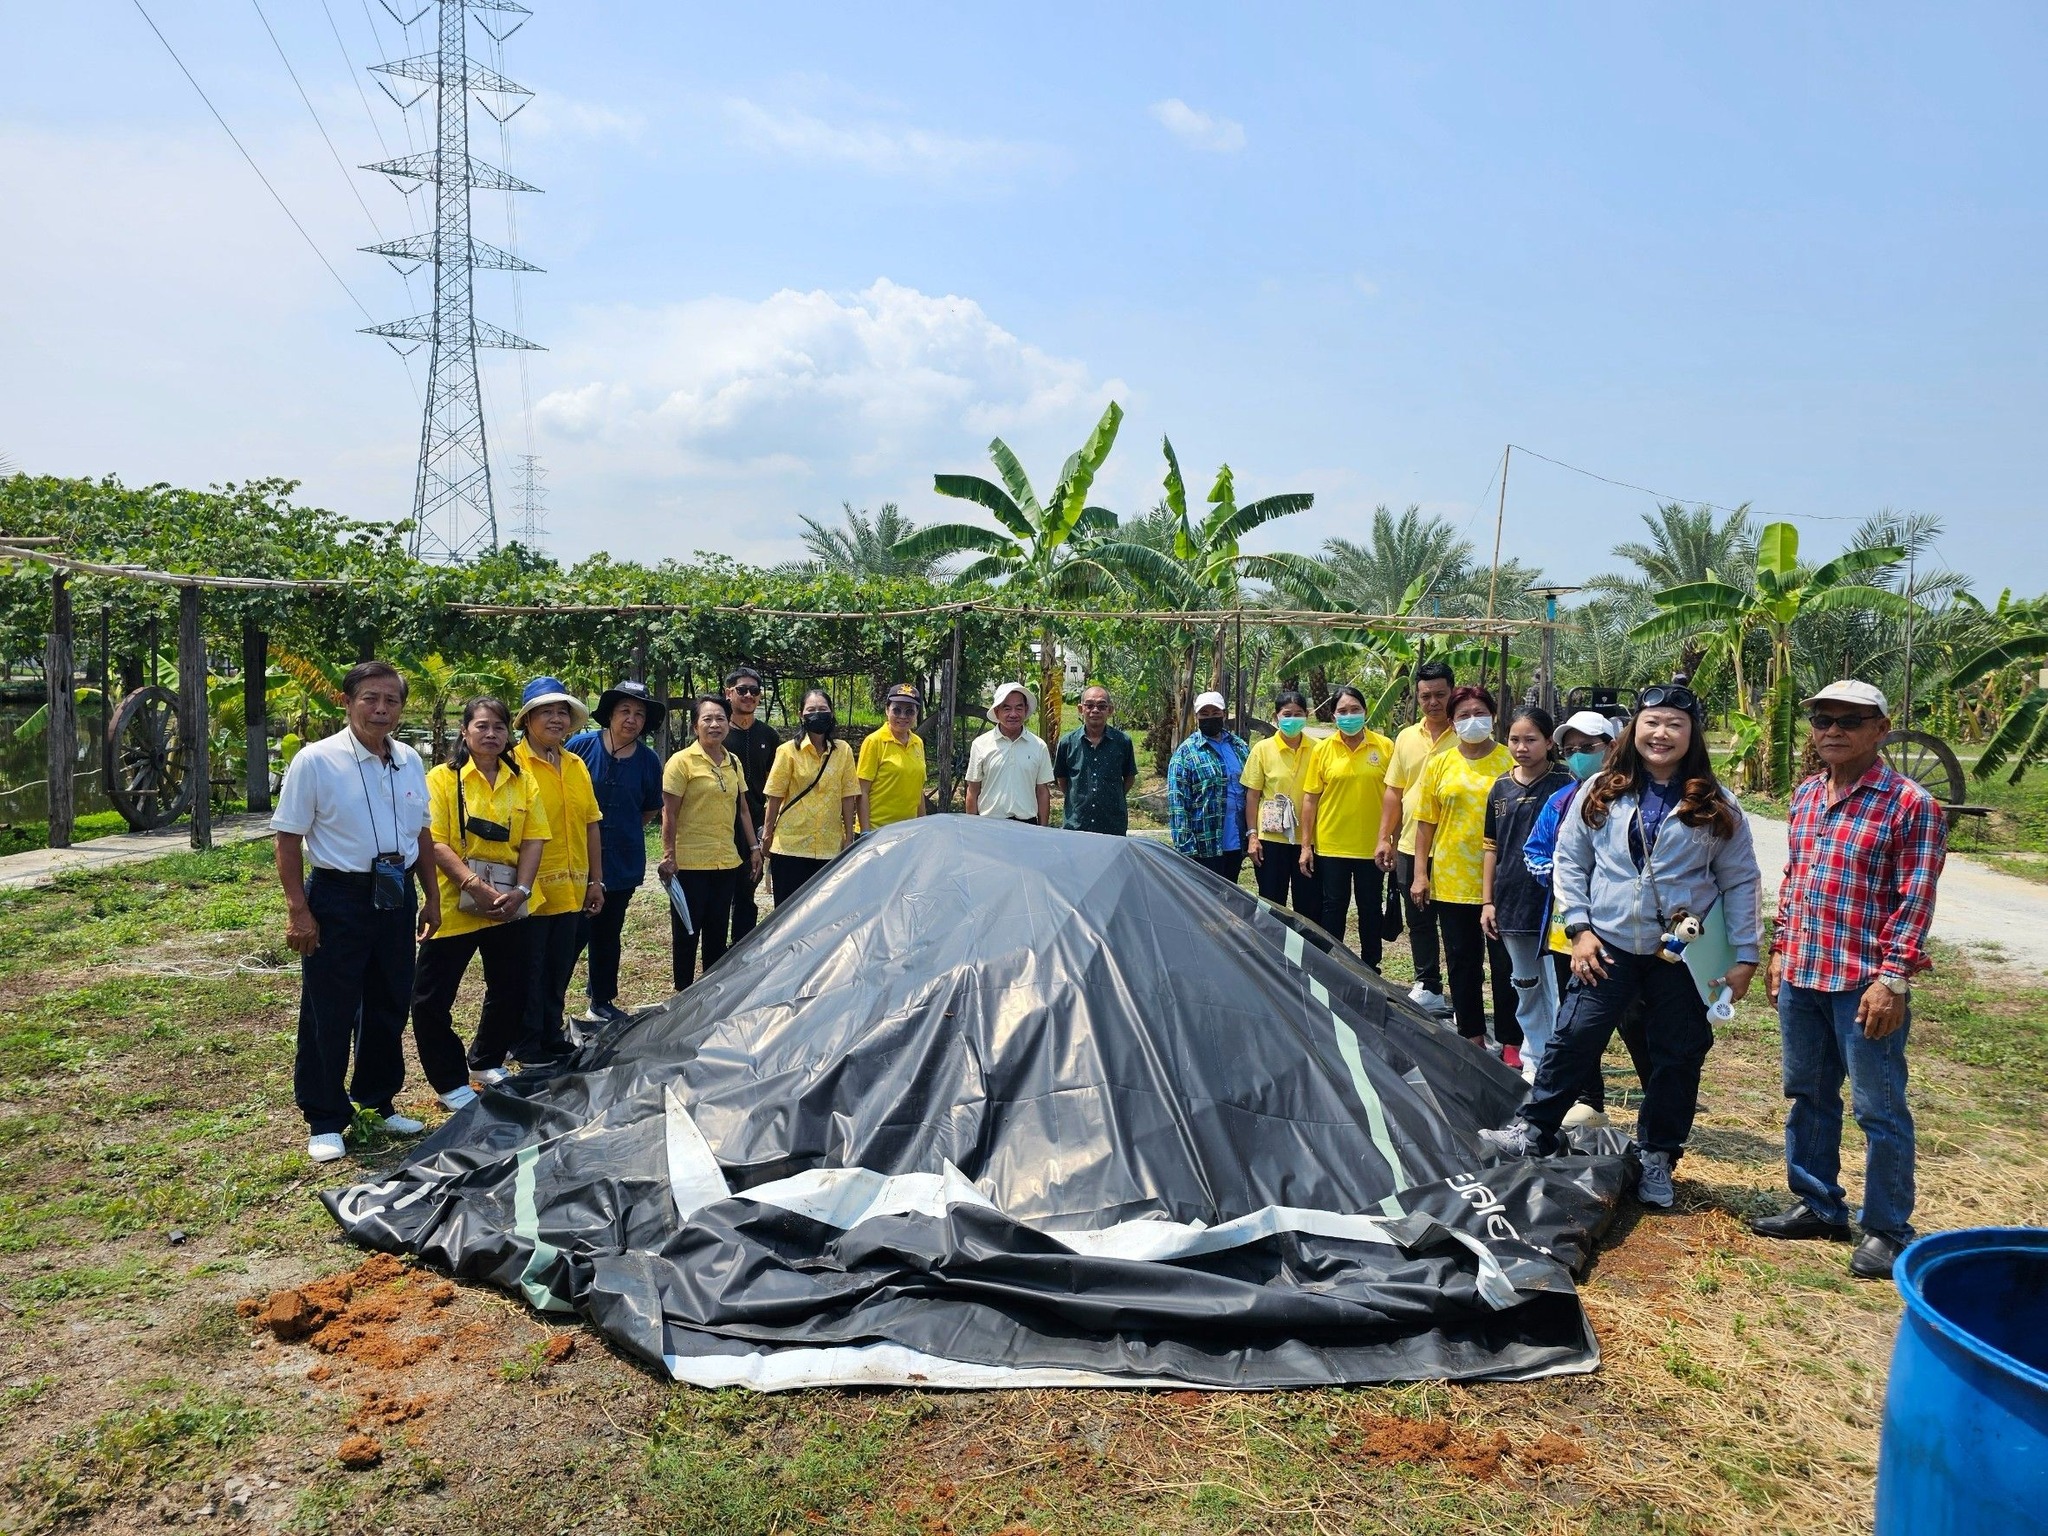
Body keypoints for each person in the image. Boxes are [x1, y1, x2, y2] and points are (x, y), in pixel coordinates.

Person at [1482, 681, 1763, 1212]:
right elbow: (1570, 861)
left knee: (1677, 1054)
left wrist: (1746, 954)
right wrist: (1580, 929)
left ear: (1692, 735)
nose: (1661, 734)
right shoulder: (1601, 791)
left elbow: (1741, 880)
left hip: (1679, 955)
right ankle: (1534, 1130)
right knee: (1575, 1036)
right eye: (1652, 723)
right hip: (1606, 943)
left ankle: (1658, 1155)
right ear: (1634, 730)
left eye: (1675, 725)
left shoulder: (1715, 804)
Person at [1754, 681, 1946, 1281]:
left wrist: (1894, 979)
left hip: (1864, 983)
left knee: (1877, 1109)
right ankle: (1818, 1204)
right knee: (1808, 1093)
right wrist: (1780, 949)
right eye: (1822, 718)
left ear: (1881, 729)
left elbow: (1915, 900)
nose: (1833, 729)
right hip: (1804, 972)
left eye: (1850, 720)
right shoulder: (1808, 794)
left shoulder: (1910, 804)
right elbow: (1796, 879)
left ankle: (1888, 1229)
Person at [271, 660, 437, 1164]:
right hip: (339, 895)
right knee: (330, 1006)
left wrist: (430, 895)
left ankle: (377, 1100)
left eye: (391, 700)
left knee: (389, 1000)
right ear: (346, 702)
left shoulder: (408, 759)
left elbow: (422, 832)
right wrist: (298, 910)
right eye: (370, 698)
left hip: (396, 893)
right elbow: (287, 838)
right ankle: (325, 1117)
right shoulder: (316, 761)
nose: (381, 709)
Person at [411, 697, 548, 1105]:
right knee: (432, 998)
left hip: (508, 901)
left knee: (511, 986)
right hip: (455, 901)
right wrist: (474, 885)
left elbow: (534, 839)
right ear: (464, 731)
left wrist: (521, 891)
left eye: (499, 727)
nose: (491, 734)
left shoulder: (522, 780)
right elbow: (434, 841)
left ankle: (486, 1060)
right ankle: (449, 1081)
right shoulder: (441, 779)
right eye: (482, 726)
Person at [1412, 686, 1518, 1056]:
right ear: (1453, 722)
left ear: (1493, 716)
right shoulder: (1440, 763)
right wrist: (1420, 874)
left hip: (1503, 881)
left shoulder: (1510, 761)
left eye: (1479, 713)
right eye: (1464, 715)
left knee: (1507, 965)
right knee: (1462, 961)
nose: (1473, 721)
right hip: (1452, 879)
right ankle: (1471, 1036)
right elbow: (1425, 822)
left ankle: (1511, 1041)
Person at [511, 677, 604, 1068]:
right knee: (529, 968)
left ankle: (551, 1033)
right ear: (527, 719)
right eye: (546, 712)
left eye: (562, 712)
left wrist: (595, 880)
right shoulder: (513, 763)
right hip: (529, 886)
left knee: (559, 965)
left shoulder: (575, 764)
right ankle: (525, 1041)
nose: (555, 719)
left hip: (572, 885)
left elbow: (591, 823)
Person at [1482, 706, 1573, 1081]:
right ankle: (1534, 1055)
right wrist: (1487, 901)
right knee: (1525, 982)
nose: (1522, 748)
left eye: (1531, 740)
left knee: (1560, 983)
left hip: (1558, 903)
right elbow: (1491, 848)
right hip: (1512, 900)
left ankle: (1561, 1059)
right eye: (1514, 740)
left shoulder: (1567, 784)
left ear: (1549, 742)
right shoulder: (1500, 788)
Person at [567, 680, 666, 1027]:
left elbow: (649, 809)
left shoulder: (648, 760)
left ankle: (601, 1000)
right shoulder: (580, 747)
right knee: (570, 936)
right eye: (625, 710)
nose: (631, 719)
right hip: (575, 860)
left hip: (622, 862)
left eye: (639, 714)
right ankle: (546, 1006)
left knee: (608, 933)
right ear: (610, 714)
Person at [659, 694, 763, 987]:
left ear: (728, 724)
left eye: (720, 718)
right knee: (687, 932)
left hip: (726, 862)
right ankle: (683, 992)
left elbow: (743, 810)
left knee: (717, 931)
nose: (714, 724)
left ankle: (709, 993)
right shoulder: (681, 762)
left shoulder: (733, 762)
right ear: (695, 726)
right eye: (707, 719)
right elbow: (669, 812)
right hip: (690, 864)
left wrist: (754, 848)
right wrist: (668, 855)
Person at [1378, 660, 1458, 1016]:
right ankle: (1428, 985)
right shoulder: (1407, 737)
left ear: (1452, 692)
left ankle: (1464, 989)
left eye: (1440, 694)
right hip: (1411, 844)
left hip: (1455, 847)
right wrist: (1385, 838)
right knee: (1420, 920)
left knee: (1457, 925)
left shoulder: (1467, 733)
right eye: (1426, 696)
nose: (1433, 702)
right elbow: (1394, 791)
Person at [1298, 685, 1395, 960]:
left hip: (1371, 846)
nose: (1349, 715)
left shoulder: (1385, 747)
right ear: (1333, 716)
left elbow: (1395, 797)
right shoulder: (1322, 750)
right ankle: (1334, 963)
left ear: (1365, 712)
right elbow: (1310, 799)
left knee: (1370, 907)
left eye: (1355, 709)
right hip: (1332, 844)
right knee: (1333, 906)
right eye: (1343, 711)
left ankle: (1371, 965)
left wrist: (1392, 840)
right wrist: (1306, 846)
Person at [759, 687, 859, 904]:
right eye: (811, 710)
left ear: (831, 713)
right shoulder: (787, 751)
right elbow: (774, 797)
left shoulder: (843, 751)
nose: (817, 714)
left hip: (830, 846)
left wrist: (849, 837)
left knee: (824, 912)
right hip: (790, 846)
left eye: (823, 709)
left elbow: (848, 796)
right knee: (788, 911)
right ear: (801, 715)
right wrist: (767, 835)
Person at [1243, 690, 1323, 928]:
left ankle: (1307, 949)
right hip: (1271, 838)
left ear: (1307, 715)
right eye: (1287, 714)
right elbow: (1252, 795)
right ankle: (1270, 948)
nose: (1292, 719)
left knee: (1309, 905)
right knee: (1271, 902)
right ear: (1275, 716)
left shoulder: (1318, 749)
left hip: (1308, 840)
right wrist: (1252, 836)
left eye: (1298, 714)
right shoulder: (1262, 749)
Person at [722, 666, 782, 948]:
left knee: (747, 890)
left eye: (754, 691)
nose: (748, 695)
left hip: (755, 820)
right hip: (721, 823)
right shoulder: (717, 732)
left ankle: (741, 950)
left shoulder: (768, 736)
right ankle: (716, 954)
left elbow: (775, 781)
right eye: (742, 690)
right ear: (729, 693)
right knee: (720, 892)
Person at [1167, 691, 1252, 883]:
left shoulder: (1239, 747)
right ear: (1196, 717)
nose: (1210, 717)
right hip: (1205, 843)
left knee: (1230, 893)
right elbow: (1177, 804)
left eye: (1215, 713)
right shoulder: (1186, 753)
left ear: (1224, 714)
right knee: (1205, 897)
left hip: (1236, 840)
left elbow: (1251, 790)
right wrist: (1185, 847)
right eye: (1204, 714)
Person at [1054, 683, 1138, 836]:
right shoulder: (1067, 743)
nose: (1095, 710)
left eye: (1101, 706)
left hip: (1112, 824)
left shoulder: (1123, 742)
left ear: (1110, 710)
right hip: (1077, 824)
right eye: (1089, 705)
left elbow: (1129, 778)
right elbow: (1062, 780)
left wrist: (1112, 797)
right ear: (1081, 709)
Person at [964, 682, 1054, 824]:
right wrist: (973, 827)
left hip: (1027, 825)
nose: (1013, 714)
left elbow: (1042, 791)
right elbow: (973, 790)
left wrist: (1042, 829)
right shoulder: (980, 744)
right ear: (996, 712)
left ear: (1026, 710)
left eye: (1019, 708)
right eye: (1007, 708)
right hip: (989, 824)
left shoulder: (1038, 746)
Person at [856, 684, 929, 832]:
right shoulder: (874, 741)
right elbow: (862, 791)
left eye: (909, 711)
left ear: (917, 713)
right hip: (878, 831)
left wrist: (922, 825)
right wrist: (865, 832)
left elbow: (918, 791)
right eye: (897, 710)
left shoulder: (917, 743)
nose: (902, 716)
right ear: (887, 710)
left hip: (908, 830)